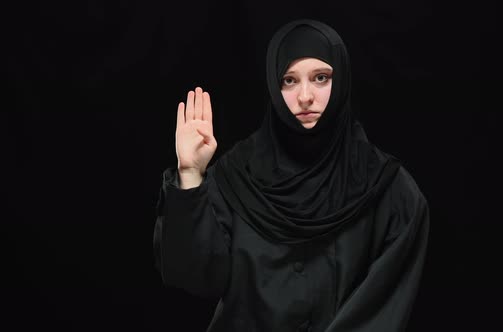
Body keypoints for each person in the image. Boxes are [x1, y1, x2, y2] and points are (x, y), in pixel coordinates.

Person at [153, 19, 429, 332]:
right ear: (273, 84)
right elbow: (194, 277)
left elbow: (382, 307)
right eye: (289, 81)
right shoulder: (237, 176)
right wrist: (190, 175)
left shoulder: (389, 191)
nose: (305, 96)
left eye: (321, 78)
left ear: (341, 80)